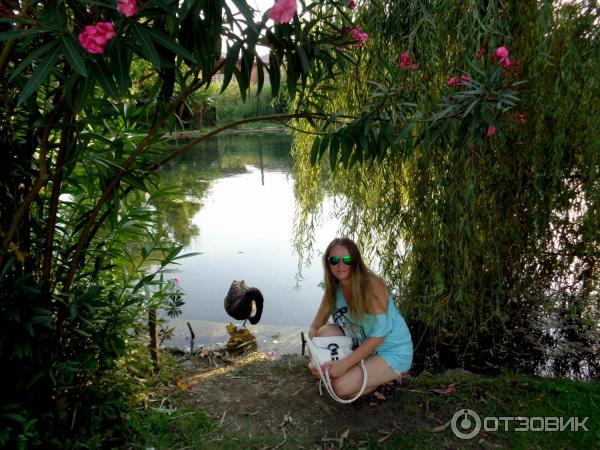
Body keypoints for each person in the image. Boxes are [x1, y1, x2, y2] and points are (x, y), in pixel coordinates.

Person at [308, 237, 413, 400]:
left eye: (347, 260)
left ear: (355, 261)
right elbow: (315, 327)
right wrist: (315, 357)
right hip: (359, 347)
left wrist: (344, 364)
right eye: (334, 260)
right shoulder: (334, 289)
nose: (341, 265)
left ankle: (387, 379)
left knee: (339, 387)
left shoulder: (371, 286)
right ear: (328, 264)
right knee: (324, 332)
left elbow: (380, 335)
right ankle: (364, 373)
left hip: (391, 351)